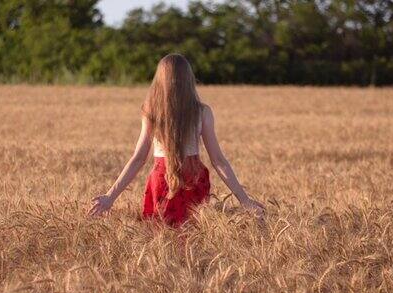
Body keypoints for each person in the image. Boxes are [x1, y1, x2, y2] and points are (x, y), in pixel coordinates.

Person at [88, 54, 265, 225]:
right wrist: (245, 201)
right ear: (189, 79)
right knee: (195, 239)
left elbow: (138, 158)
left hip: (161, 180)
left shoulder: (151, 111)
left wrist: (110, 197)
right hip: (194, 179)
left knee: (160, 240)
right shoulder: (202, 112)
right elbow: (218, 161)